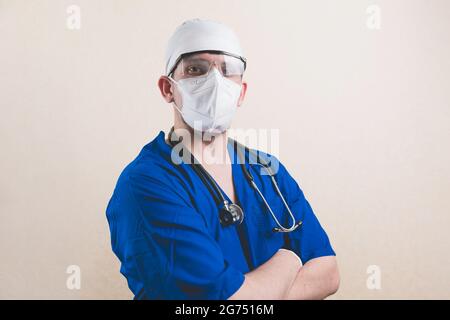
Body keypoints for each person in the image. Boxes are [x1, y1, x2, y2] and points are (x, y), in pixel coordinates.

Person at [106, 18, 339, 300]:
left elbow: (328, 273)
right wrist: (289, 259)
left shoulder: (267, 170)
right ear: (168, 89)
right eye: (196, 69)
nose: (215, 82)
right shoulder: (146, 183)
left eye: (228, 71)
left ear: (241, 92)